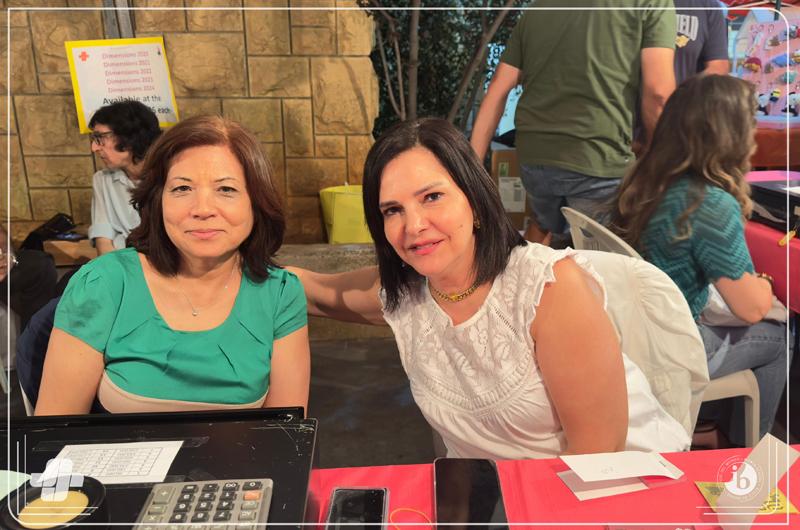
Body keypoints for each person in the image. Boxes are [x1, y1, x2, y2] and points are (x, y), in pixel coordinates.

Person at [291, 118, 690, 459]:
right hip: (492, 498)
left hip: (608, 492)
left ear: (475, 200)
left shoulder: (548, 288)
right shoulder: (406, 295)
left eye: (432, 197)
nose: (413, 226)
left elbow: (598, 454)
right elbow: (310, 289)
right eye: (393, 210)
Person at [35, 116, 310, 415]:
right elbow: (57, 431)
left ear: (256, 203)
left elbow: (285, 432)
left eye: (226, 189)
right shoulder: (104, 283)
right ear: (158, 200)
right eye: (182, 189)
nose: (202, 209)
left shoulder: (280, 294)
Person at [610, 74, 789, 446]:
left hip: (633, 337)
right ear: (729, 135)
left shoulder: (642, 181)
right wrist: (766, 284)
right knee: (782, 335)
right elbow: (751, 309)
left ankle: (710, 425)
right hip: (674, 350)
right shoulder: (708, 203)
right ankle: (750, 454)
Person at [470, 0, 677, 245]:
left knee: (543, 224)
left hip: (535, 160)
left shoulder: (538, 8)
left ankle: (530, 265)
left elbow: (498, 87)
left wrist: (470, 170)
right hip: (598, 155)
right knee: (609, 254)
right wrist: (659, 161)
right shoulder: (652, 3)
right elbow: (658, 94)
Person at [88, 100, 162, 255]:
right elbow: (103, 237)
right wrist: (113, 268)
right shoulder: (102, 180)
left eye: (100, 138)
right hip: (121, 262)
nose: (94, 147)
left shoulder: (169, 176)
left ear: (129, 137)